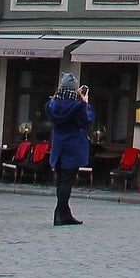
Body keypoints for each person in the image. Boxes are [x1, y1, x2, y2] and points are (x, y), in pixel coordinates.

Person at [46, 73, 94, 227]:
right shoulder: (77, 105)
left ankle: (64, 214)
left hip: (58, 146)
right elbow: (88, 120)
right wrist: (85, 102)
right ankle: (59, 214)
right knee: (67, 181)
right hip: (73, 146)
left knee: (61, 181)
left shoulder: (52, 105)